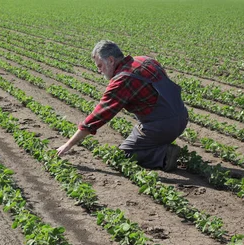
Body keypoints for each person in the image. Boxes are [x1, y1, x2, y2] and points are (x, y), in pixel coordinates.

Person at [56, 40, 189, 171]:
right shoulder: (145, 60)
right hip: (182, 117)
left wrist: (69, 144)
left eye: (100, 65)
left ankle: (164, 156)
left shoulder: (123, 80)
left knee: (123, 156)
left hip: (161, 126)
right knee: (140, 132)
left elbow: (99, 115)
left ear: (111, 60)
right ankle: (159, 143)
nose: (99, 70)